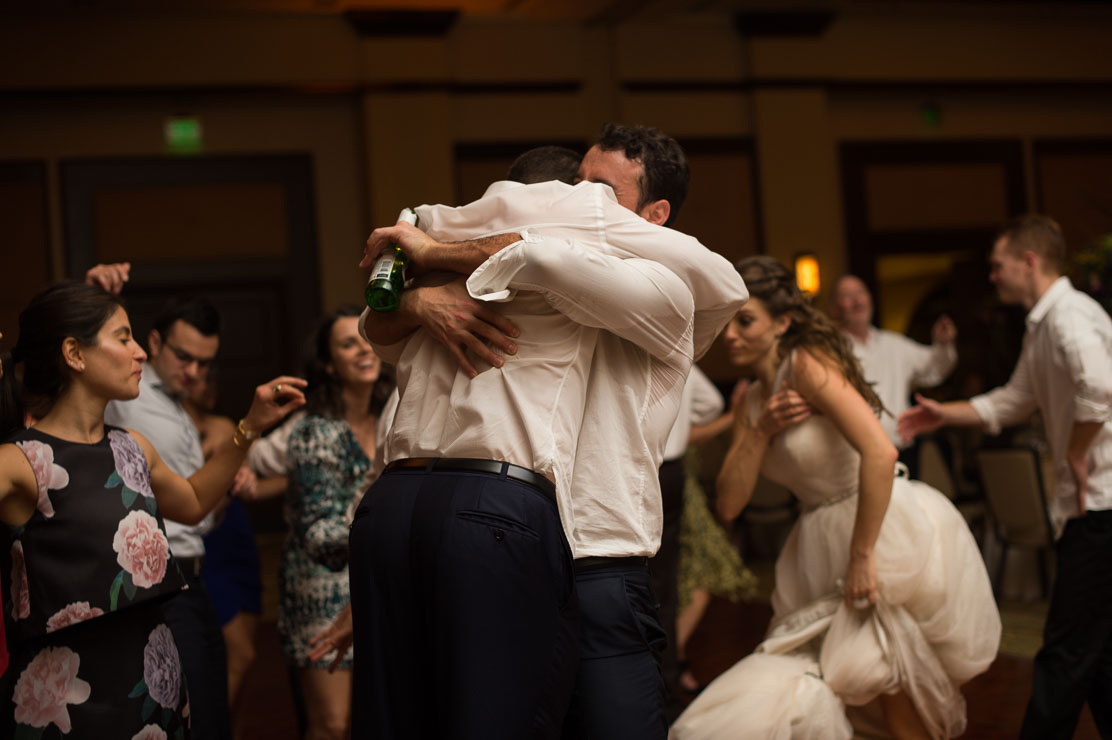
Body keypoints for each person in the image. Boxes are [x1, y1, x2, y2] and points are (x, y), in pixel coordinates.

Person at [349, 130, 747, 739]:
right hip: (501, 536)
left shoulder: (665, 292)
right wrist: (417, 302)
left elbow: (555, 262)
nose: (578, 196)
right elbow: (374, 327)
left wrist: (440, 253)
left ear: (653, 217)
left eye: (599, 191)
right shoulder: (491, 287)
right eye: (573, 185)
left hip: (595, 557)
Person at [671, 256, 999, 740]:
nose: (731, 335)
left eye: (746, 321)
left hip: (876, 530)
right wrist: (760, 431)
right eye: (728, 322)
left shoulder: (806, 366)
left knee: (885, 685)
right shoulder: (751, 401)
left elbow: (881, 452)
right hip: (815, 546)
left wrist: (863, 555)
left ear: (782, 323)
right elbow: (729, 505)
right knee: (837, 685)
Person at [0, 281, 304, 737]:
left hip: (152, 686)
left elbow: (195, 502)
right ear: (74, 353)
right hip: (65, 702)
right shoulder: (19, 462)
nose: (140, 352)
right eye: (123, 337)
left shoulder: (133, 448)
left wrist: (249, 428)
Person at [898, 214, 1112, 739]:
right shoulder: (1044, 323)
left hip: (1101, 506)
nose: (992, 275)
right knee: (1095, 652)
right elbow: (1014, 400)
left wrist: (1077, 451)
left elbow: (1100, 389)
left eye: (998, 265)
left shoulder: (1068, 317)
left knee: (1064, 650)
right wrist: (945, 414)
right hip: (1092, 507)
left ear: (1029, 262)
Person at [103, 296, 240, 740]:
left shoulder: (177, 407)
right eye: (184, 357)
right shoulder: (126, 394)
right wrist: (92, 291)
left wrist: (225, 487)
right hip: (159, 580)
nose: (194, 372)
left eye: (205, 362)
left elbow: (193, 510)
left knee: (212, 708)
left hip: (194, 575)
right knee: (192, 714)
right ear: (155, 343)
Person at [278, 306, 391, 740]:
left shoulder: (393, 416)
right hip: (320, 588)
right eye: (348, 344)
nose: (363, 350)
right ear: (328, 364)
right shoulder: (314, 432)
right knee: (333, 724)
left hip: (376, 582)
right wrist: (392, 533)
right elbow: (317, 534)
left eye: (367, 340)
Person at [182, 371, 264, 740]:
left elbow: (240, 468)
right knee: (239, 654)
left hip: (235, 532)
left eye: (213, 380)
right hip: (204, 540)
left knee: (245, 657)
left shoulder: (224, 425)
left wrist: (245, 477)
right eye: (203, 380)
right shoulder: (172, 427)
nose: (209, 387)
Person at [831, 273, 957, 476]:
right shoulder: (831, 351)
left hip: (902, 450)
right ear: (835, 308)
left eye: (860, 293)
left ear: (870, 299)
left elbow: (933, 368)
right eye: (847, 296)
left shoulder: (893, 344)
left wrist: (943, 344)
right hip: (855, 455)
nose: (857, 301)